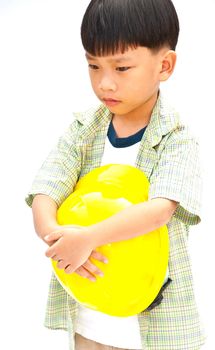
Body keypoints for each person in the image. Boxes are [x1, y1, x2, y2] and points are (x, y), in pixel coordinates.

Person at [25, 0, 205, 349]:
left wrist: (89, 237)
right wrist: (56, 235)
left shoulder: (176, 138)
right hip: (89, 316)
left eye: (121, 68)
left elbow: (160, 209)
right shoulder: (82, 130)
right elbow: (47, 187)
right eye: (93, 65)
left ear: (164, 65)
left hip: (153, 325)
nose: (104, 83)